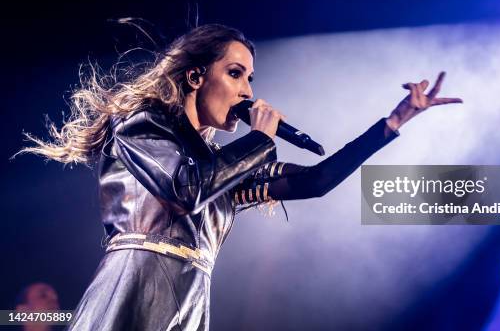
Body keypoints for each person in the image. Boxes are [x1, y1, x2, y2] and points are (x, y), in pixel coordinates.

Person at [18, 23, 462, 330]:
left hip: (193, 294)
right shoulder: (141, 124)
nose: (248, 91)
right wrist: (260, 141)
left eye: (250, 77)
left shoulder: (224, 164)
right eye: (235, 74)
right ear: (195, 76)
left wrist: (394, 122)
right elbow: (186, 187)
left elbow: (315, 182)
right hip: (138, 281)